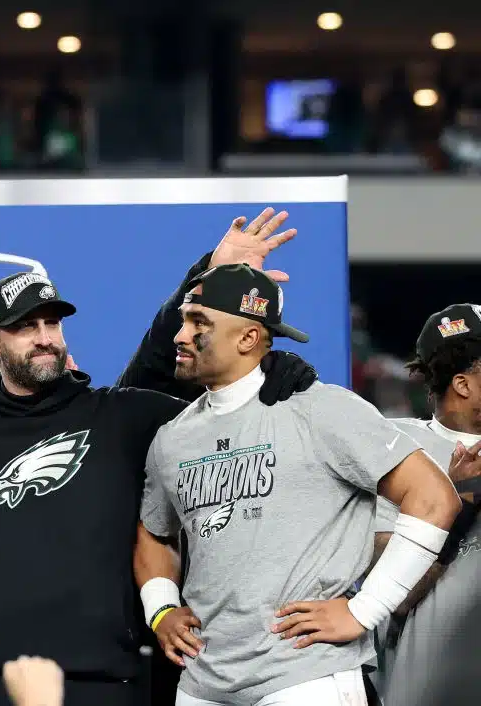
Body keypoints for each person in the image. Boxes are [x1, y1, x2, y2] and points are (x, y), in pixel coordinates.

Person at [0, 210, 320, 706]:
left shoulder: (120, 418)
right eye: (24, 327)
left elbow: (193, 381)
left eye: (51, 323)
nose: (44, 336)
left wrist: (271, 368)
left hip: (107, 685)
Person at [134, 264, 461, 706]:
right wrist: (162, 610)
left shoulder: (322, 409)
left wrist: (364, 610)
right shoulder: (172, 437)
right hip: (202, 683)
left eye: (199, 323)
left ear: (248, 338)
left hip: (305, 675)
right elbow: (155, 533)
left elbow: (434, 497)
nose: (180, 335)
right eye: (184, 320)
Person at [377, 304, 481, 706]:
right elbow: (394, 593)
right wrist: (455, 505)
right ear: (462, 383)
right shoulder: (394, 447)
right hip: (427, 684)